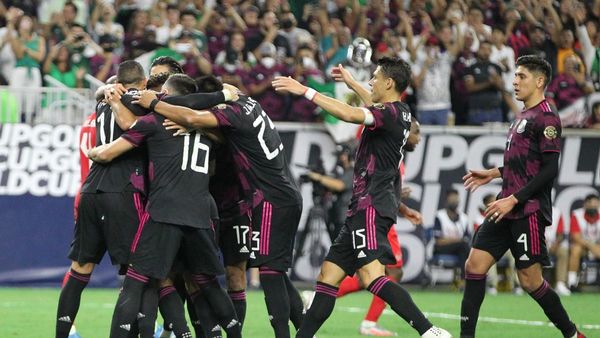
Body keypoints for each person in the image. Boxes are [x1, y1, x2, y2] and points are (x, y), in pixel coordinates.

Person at [272, 57, 451, 338]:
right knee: (327, 278)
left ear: (389, 83)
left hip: (371, 208)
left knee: (372, 277)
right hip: (364, 208)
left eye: (375, 77)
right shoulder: (400, 112)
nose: (371, 82)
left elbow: (351, 114)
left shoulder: (389, 114)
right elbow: (372, 104)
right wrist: (352, 82)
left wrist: (305, 90)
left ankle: (430, 332)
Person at [133, 84, 305, 338]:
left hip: (269, 199)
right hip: (277, 195)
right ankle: (304, 330)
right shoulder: (249, 105)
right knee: (275, 273)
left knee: (268, 275)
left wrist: (155, 104)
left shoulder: (232, 112)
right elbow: (222, 132)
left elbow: (192, 115)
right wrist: (199, 126)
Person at [89, 73, 242, 338]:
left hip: (164, 211)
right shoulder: (209, 126)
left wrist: (92, 152)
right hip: (200, 213)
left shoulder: (155, 120)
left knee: (137, 282)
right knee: (206, 282)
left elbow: (110, 149)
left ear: (168, 95)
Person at [460, 55, 586, 338]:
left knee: (530, 281)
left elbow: (549, 169)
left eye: (521, 76)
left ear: (539, 81)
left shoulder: (547, 117)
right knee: (474, 265)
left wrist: (514, 198)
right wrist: (494, 173)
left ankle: (572, 333)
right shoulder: (521, 116)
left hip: (526, 209)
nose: (514, 81)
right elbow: (523, 165)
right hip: (506, 205)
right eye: (515, 76)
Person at [55, 62, 150, 338]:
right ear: (142, 82)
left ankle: (61, 333)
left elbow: (102, 95)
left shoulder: (103, 103)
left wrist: (105, 89)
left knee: (79, 270)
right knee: (136, 272)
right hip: (122, 190)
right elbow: (133, 124)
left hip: (90, 190)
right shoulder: (137, 101)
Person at [432, 189, 471, 282]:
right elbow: (439, 241)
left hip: (460, 249)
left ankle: (463, 280)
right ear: (446, 200)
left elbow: (467, 238)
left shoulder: (464, 218)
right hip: (442, 248)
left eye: (456, 199)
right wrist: (458, 240)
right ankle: (469, 278)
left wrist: (459, 241)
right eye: (452, 199)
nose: (454, 201)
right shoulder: (440, 216)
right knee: (463, 246)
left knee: (464, 249)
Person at [567, 194, 600, 291]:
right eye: (590, 204)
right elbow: (576, 237)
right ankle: (572, 284)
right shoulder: (577, 215)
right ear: (585, 204)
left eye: (595, 204)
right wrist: (592, 247)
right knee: (576, 249)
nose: (593, 207)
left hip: (598, 246)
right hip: (584, 247)